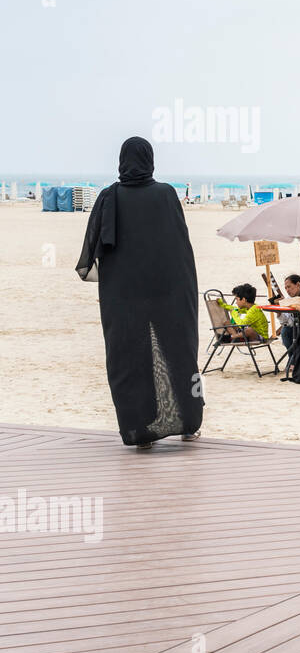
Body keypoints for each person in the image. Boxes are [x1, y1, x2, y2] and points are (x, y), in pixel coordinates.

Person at [75, 137, 203, 448]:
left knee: (129, 356)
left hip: (124, 294)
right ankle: (188, 424)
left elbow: (96, 251)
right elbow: (180, 247)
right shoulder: (166, 194)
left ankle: (138, 430)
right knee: (178, 350)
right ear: (150, 159)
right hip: (170, 289)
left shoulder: (109, 197)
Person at [278, 273, 300, 350]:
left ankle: (294, 358)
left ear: (298, 285)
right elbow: (286, 322)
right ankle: (292, 357)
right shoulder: (288, 299)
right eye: (285, 288)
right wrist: (279, 312)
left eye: (289, 287)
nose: (287, 290)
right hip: (295, 327)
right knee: (285, 331)